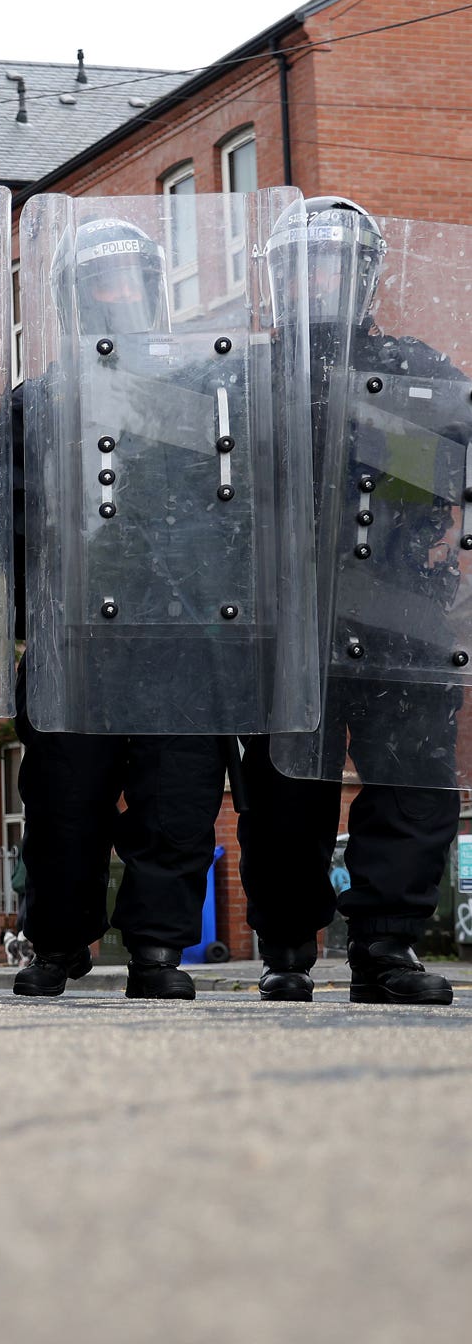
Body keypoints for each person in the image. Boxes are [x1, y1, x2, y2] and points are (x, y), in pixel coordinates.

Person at [239, 198, 460, 1005]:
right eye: (306, 266)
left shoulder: (417, 365)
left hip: (400, 607)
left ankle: (384, 945)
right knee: (284, 787)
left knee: (414, 779)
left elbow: (451, 460)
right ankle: (286, 942)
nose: (321, 280)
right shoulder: (248, 369)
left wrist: (365, 432)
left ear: (364, 275)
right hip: (284, 611)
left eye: (334, 265)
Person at [10, 215, 231, 1000]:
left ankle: (156, 951)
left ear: (152, 288)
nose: (116, 298)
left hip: (182, 636)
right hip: (76, 639)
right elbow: (5, 522)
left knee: (175, 805)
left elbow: (241, 510)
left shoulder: (213, 389)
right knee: (65, 808)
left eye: (128, 279)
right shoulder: (38, 400)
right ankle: (57, 943)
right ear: (76, 300)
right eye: (99, 283)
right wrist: (20, 623)